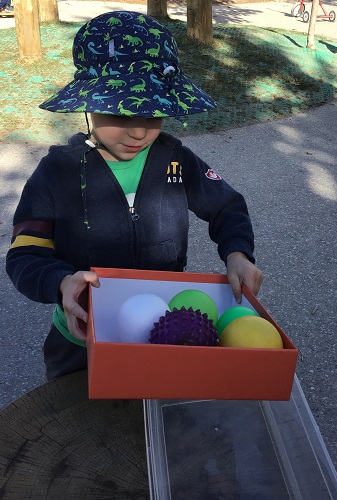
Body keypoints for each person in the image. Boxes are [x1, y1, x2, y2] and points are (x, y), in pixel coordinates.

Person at [6, 11, 264, 380]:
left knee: (160, 416)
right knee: (75, 425)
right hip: (82, 338)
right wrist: (61, 281)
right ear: (88, 101)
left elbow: (227, 206)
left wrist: (238, 253)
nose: (140, 132)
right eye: (122, 114)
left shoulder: (175, 161)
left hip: (167, 331)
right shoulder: (57, 172)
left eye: (154, 114)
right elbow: (25, 254)